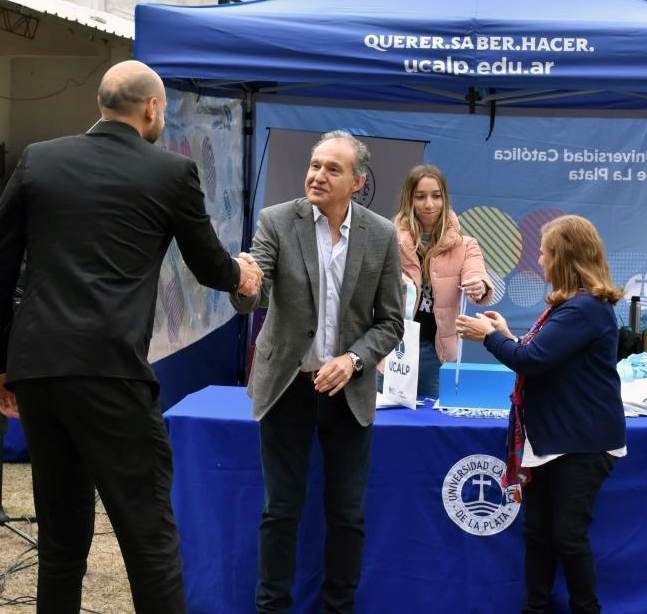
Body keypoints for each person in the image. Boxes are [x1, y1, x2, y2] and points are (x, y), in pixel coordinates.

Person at [0, 60, 263, 614]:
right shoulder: (169, 172)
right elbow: (209, 265)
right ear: (152, 108)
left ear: (101, 104)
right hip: (111, 373)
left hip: (40, 372)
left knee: (60, 541)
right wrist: (243, 273)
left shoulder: (38, 161)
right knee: (149, 539)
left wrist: (3, 366)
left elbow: (2, 269)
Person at [230, 130, 403, 614]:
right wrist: (244, 281)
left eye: (332, 169)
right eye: (314, 164)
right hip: (288, 386)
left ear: (357, 182)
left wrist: (354, 360)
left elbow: (390, 321)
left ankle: (338, 607)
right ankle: (272, 608)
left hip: (349, 392)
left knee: (347, 514)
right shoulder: (277, 221)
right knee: (280, 511)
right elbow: (252, 290)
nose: (317, 175)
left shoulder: (382, 235)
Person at [456, 215, 626, 614]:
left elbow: (531, 361)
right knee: (538, 535)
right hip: (554, 441)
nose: (540, 260)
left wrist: (490, 338)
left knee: (568, 538)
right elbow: (540, 355)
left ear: (564, 259)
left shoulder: (583, 309)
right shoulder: (574, 308)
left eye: (545, 253)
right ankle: (535, 608)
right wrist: (507, 336)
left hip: (580, 445)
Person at [392, 164, 492, 395]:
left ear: (445, 198)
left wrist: (479, 285)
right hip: (392, 348)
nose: (429, 204)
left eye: (436, 196)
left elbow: (478, 276)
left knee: (431, 424)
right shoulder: (389, 239)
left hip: (437, 351)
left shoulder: (466, 244)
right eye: (421, 197)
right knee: (388, 421)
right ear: (409, 199)